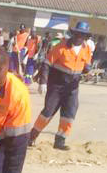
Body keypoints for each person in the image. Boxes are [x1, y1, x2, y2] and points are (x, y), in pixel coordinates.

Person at [28, 21, 93, 150]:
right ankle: (31, 137)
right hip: (56, 86)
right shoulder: (61, 46)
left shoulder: (86, 49)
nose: (79, 37)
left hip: (73, 88)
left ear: (85, 37)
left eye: (82, 35)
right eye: (77, 34)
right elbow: (47, 64)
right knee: (47, 112)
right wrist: (43, 82)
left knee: (69, 114)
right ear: (73, 34)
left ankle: (60, 141)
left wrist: (87, 71)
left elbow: (87, 66)